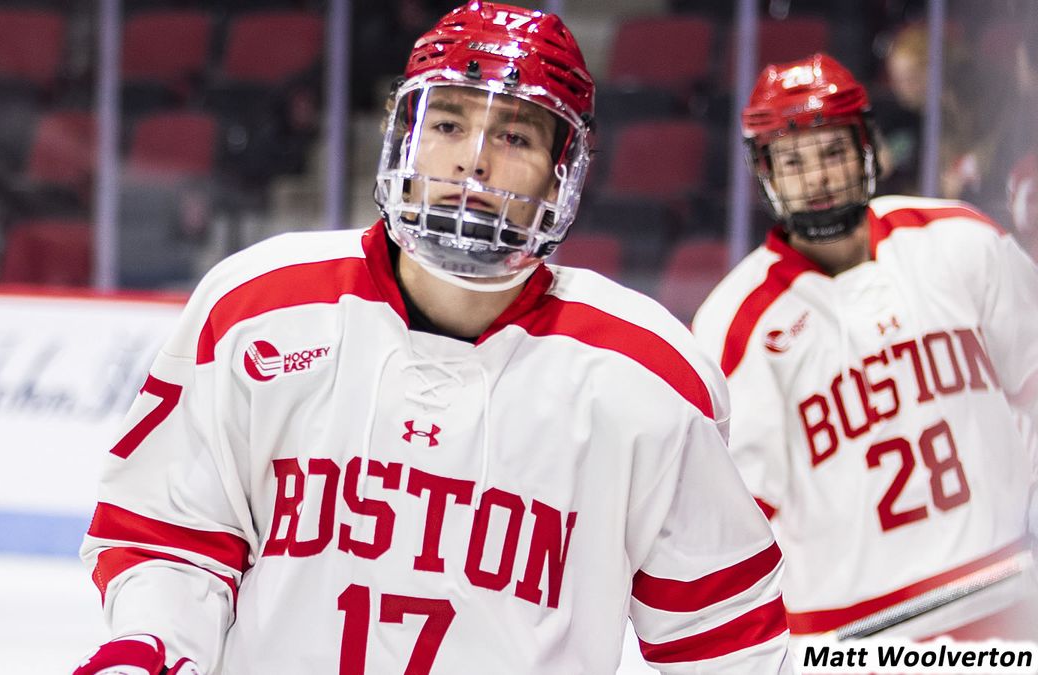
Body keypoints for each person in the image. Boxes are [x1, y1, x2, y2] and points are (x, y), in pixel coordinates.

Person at [73, 3, 793, 673]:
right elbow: (171, 535)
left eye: (513, 136)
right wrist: (152, 647)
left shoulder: (648, 377)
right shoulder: (257, 306)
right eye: (448, 124)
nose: (472, 161)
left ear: (562, 171)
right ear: (403, 137)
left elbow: (725, 638)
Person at [693, 53, 1038, 641]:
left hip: (1008, 594)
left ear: (868, 148)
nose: (818, 179)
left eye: (832, 152)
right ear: (766, 173)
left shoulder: (965, 241)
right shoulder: (732, 324)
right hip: (852, 635)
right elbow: (740, 522)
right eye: (793, 161)